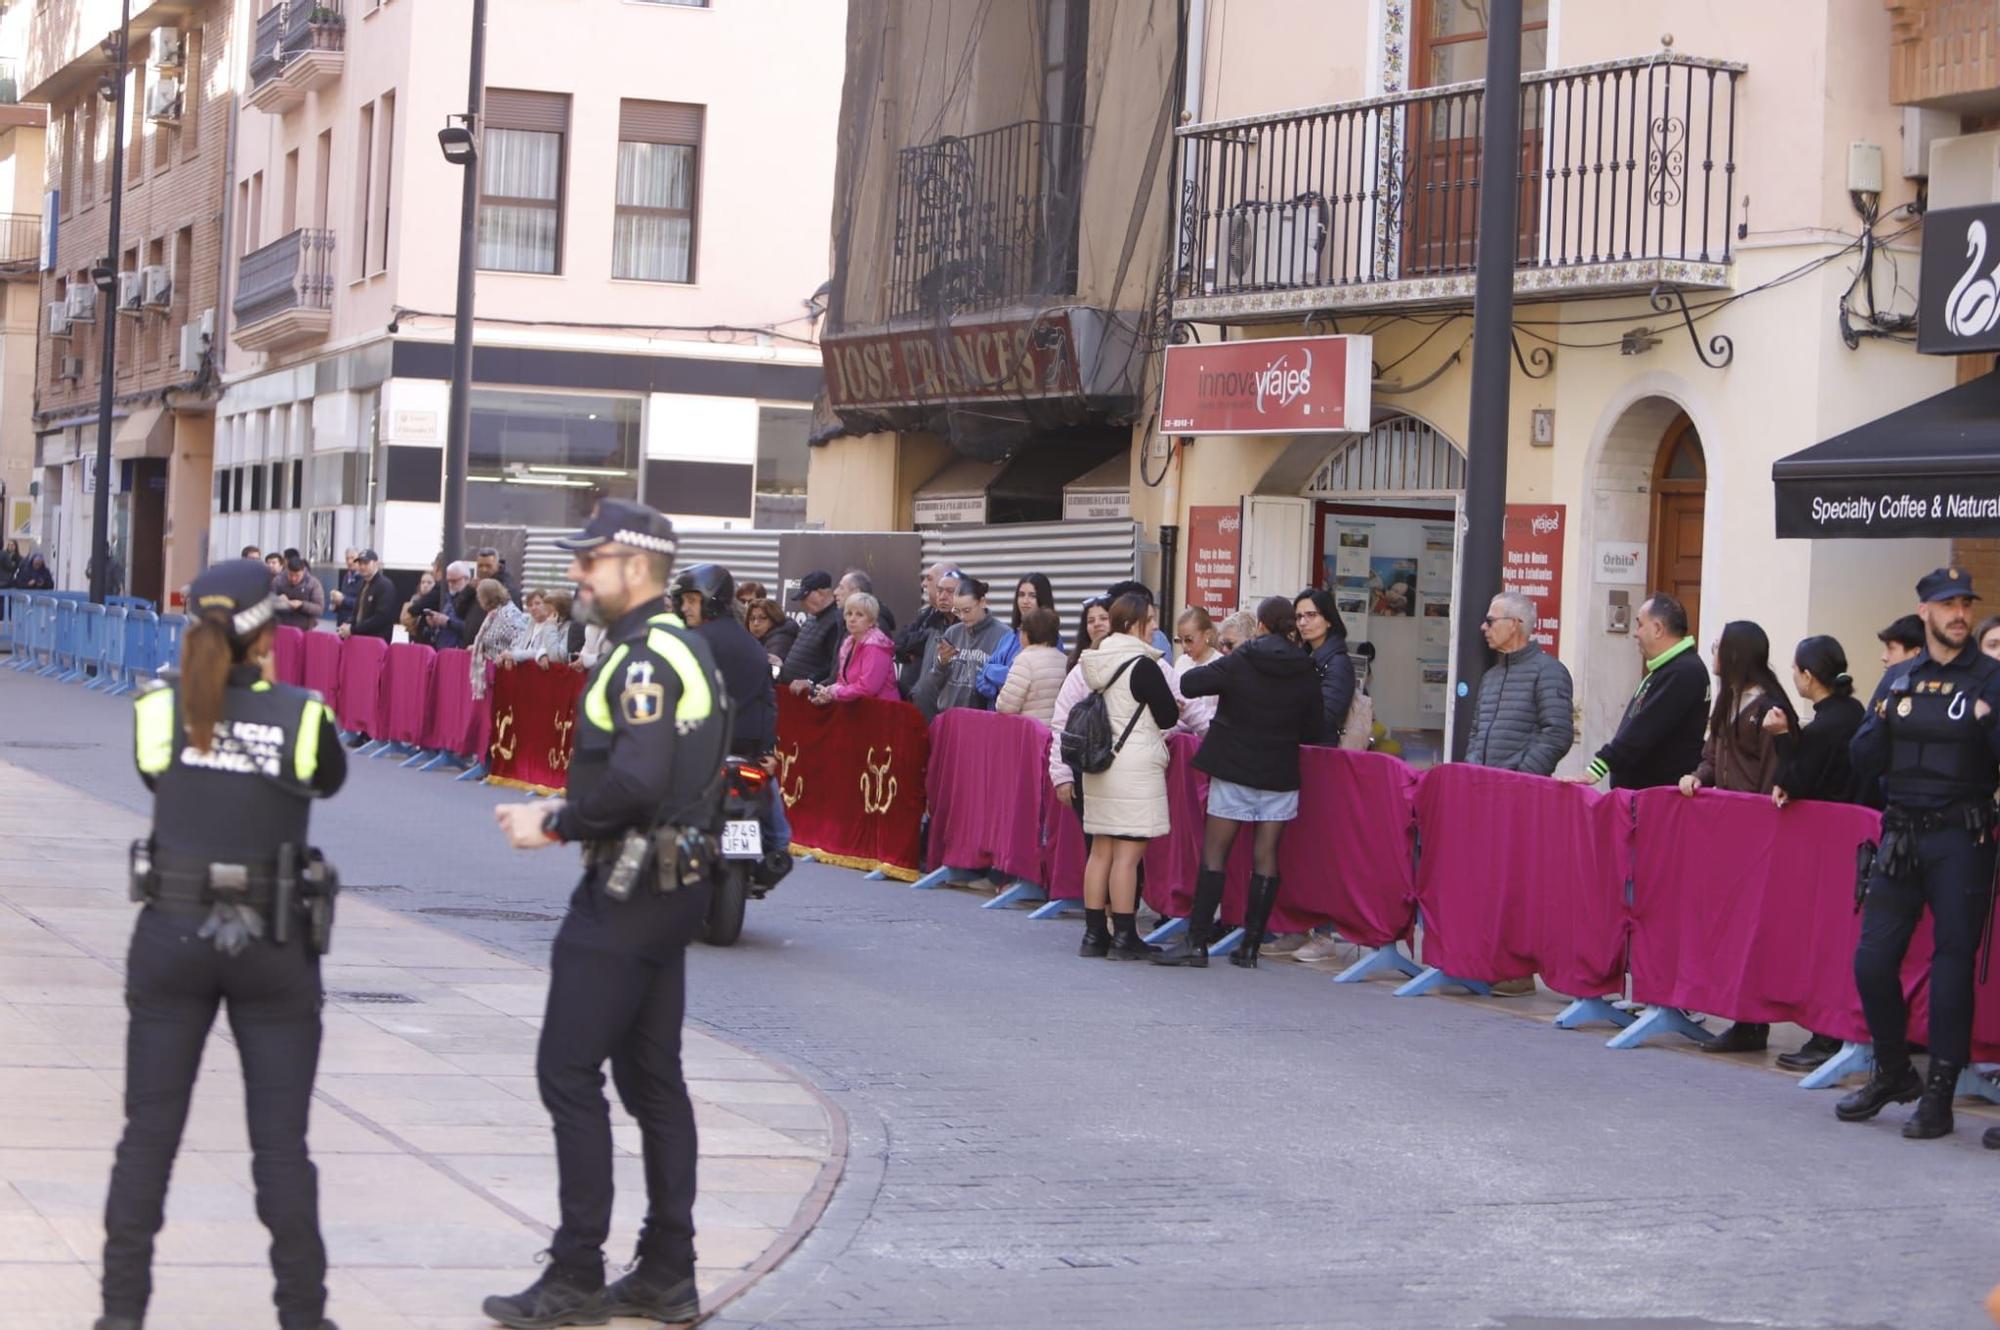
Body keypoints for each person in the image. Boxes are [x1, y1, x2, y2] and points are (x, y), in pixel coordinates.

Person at [487, 500, 727, 1330]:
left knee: (567, 1071)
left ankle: (576, 1273)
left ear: (635, 568)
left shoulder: (640, 659)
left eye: (590, 563)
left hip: (628, 890)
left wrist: (551, 820)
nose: (577, 577)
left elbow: (638, 780)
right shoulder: (678, 646)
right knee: (652, 1080)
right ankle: (668, 1270)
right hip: (671, 887)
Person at [103, 559, 346, 1330]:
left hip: (171, 934)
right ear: (268, 634)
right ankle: (304, 1318)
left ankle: (119, 1318)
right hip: (272, 945)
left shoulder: (155, 708)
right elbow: (327, 781)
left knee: (148, 1136)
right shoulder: (305, 716)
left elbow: (158, 780)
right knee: (280, 1148)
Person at [1840, 567, 2000, 1144]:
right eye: (1947, 604)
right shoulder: (1899, 678)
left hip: (1961, 836)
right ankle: (1892, 1070)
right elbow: (1862, 759)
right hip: (1901, 835)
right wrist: (1884, 714)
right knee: (1872, 960)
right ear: (1926, 612)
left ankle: (1939, 1094)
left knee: (1952, 966)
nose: (1960, 612)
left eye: (1966, 603)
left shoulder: (1992, 679)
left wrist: (1990, 724)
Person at [1153, 595, 1323, 970]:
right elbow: (1314, 726)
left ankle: (1196, 943)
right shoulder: (1305, 667)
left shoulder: (1242, 660)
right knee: (1266, 857)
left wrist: (1227, 666)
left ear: (1260, 625)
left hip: (1233, 765)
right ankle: (1249, 947)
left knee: (1216, 853)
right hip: (1279, 770)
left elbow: (1192, 683)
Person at [1676, 620, 1798, 1055]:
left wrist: (1761, 819)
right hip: (1727, 831)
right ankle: (1739, 1015)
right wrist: (1697, 775)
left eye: (1719, 646)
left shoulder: (1769, 707)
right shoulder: (1728, 701)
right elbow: (1714, 754)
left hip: (1756, 834)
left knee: (1754, 929)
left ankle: (1753, 1023)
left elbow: (1774, 770)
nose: (1713, 653)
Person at [1763, 634, 1867, 1072]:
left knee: (1828, 942)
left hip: (1833, 845)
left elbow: (1799, 779)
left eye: (1795, 669)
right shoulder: (1851, 712)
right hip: (1850, 840)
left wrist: (1784, 738)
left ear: (1808, 676)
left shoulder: (1827, 726)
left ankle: (1827, 1035)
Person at [1067, 593, 1178, 961]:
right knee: (1127, 857)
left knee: (1100, 852)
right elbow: (1167, 718)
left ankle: (1093, 934)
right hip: (1132, 768)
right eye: (1150, 619)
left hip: (1100, 765)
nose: (1156, 626)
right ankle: (1125, 936)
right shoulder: (1143, 665)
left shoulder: (1095, 660)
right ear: (1133, 624)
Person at [672, 562, 790, 883]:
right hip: (746, 746)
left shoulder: (690, 643)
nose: (686, 607)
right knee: (775, 823)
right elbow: (767, 700)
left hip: (700, 747)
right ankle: (775, 850)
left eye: (691, 600)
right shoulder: (752, 645)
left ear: (710, 600)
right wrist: (768, 749)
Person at [1565, 593, 1709, 790]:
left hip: (1657, 798)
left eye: (1640, 624)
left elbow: (1645, 727)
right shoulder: (1668, 669)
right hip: (1644, 795)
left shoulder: (1683, 672)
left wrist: (1598, 767)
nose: (1635, 633)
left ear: (1658, 629)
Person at [1463, 591, 1574, 776]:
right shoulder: (1490, 677)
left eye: (1490, 621)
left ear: (1513, 624)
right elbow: (1476, 734)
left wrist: (1521, 776)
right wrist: (1473, 771)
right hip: (1482, 788)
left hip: (1521, 792)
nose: (1483, 627)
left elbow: (1557, 734)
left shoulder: (1549, 671)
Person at [911, 575, 1010, 717]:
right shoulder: (953, 633)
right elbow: (933, 683)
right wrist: (941, 662)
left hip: (984, 719)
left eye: (967, 610)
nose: (962, 616)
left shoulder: (1003, 635)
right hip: (949, 715)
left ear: (982, 602)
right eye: (957, 610)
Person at [976, 573, 1057, 703]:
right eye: (1021, 595)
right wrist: (997, 685)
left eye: (1032, 596)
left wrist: (992, 672)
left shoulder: (1052, 639)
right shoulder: (1009, 636)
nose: (1025, 601)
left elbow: (1028, 679)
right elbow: (981, 676)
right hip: (997, 712)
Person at [812, 592, 899, 703]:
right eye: (849, 613)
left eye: (859, 615)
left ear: (871, 621)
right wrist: (827, 693)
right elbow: (843, 682)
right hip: (859, 709)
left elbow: (868, 688)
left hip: (881, 711)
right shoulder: (849, 643)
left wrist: (835, 692)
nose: (852, 619)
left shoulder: (875, 646)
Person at [1294, 588, 1355, 739]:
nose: (1302, 622)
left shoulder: (1338, 663)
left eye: (1311, 615)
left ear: (1328, 620)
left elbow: (1327, 718)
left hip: (1322, 752)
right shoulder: (1305, 656)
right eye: (1298, 616)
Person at [895, 563, 960, 699]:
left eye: (929, 578)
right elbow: (900, 643)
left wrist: (915, 648)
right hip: (915, 697)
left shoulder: (962, 623)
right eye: (940, 590)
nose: (924, 584)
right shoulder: (929, 614)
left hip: (937, 702)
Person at [995, 606, 1066, 723]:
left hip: (1030, 734)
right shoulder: (1063, 660)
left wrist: (1001, 691)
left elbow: (1006, 707)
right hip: (1054, 732)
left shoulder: (1024, 660)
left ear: (1028, 634)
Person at [779, 571, 842, 693]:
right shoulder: (812, 617)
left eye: (805, 597)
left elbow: (835, 664)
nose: (802, 603)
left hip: (810, 697)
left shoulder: (835, 622)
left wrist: (811, 681)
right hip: (793, 693)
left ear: (820, 594)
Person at [470, 581, 532, 698]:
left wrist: (508, 655)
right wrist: (479, 647)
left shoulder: (506, 614)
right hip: (497, 676)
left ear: (485, 598)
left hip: (510, 675)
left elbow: (521, 637)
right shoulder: (494, 614)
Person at [1169, 607, 1223, 736]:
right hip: (1181, 737)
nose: (1184, 646)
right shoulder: (1181, 661)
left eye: (1189, 640)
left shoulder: (1221, 664)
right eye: (1179, 640)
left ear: (1207, 635)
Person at [337, 551, 397, 645]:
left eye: (366, 563)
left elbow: (380, 618)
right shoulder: (364, 584)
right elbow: (357, 613)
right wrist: (347, 625)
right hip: (360, 640)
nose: (362, 567)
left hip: (376, 643)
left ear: (376, 563)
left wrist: (353, 629)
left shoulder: (385, 585)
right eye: (360, 563)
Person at [460, 547, 514, 642]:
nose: (484, 570)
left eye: (488, 566)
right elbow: (459, 610)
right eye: (480, 566)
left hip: (492, 646)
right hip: (470, 644)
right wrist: (469, 590)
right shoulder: (474, 585)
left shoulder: (506, 586)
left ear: (497, 565)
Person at [513, 589, 574, 666]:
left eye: (549, 610)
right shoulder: (532, 622)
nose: (546, 612)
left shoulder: (566, 628)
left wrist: (550, 626)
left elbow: (556, 656)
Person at [272, 555, 326, 631]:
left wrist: (302, 605)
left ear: (303, 571)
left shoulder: (313, 583)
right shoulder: (278, 581)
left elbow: (319, 609)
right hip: (281, 628)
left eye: (297, 575)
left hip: (304, 629)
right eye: (290, 575)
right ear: (287, 570)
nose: (293, 579)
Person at [836, 568, 895, 636]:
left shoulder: (877, 626)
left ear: (856, 592)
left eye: (841, 588)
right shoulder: (842, 618)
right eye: (849, 614)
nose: (835, 592)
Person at [746, 596, 795, 670]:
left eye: (763, 618)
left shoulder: (780, 639)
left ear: (774, 619)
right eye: (752, 619)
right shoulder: (757, 637)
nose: (755, 623)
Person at [330, 550, 361, 629]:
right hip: (342, 622)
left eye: (352, 558)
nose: (349, 562)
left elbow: (362, 603)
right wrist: (335, 604)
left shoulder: (364, 579)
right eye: (347, 559)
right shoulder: (346, 576)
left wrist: (343, 599)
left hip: (354, 624)